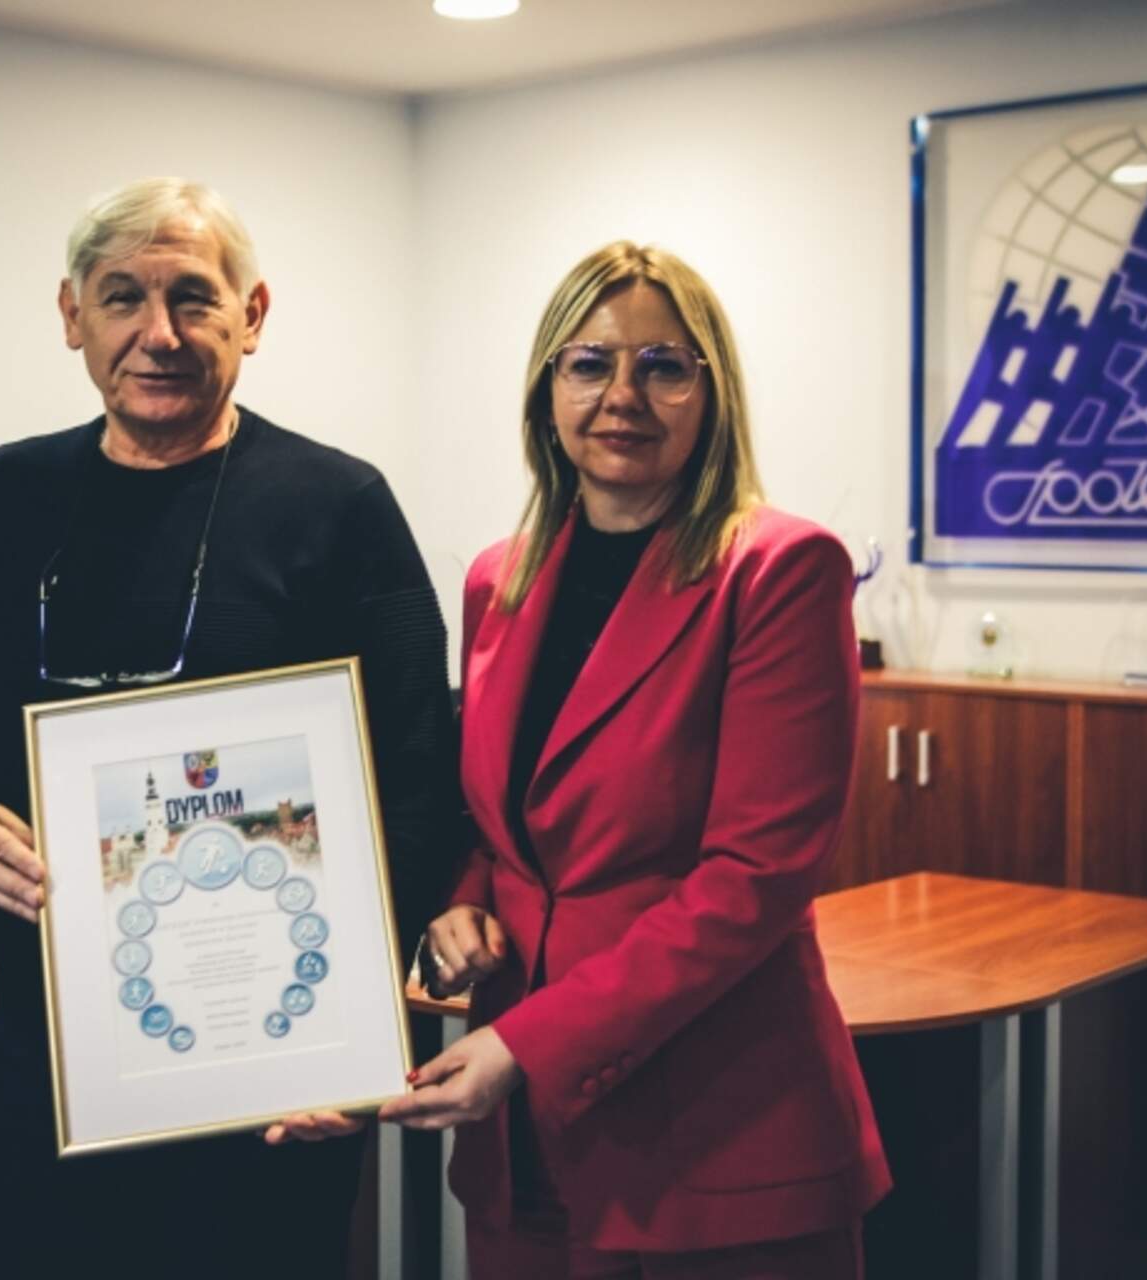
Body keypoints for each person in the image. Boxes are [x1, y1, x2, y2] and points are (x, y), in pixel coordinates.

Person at [0, 176, 457, 1277]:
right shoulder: (2, 499)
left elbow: (419, 779)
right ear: (73, 316)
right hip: (51, 1068)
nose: (159, 333)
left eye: (194, 297)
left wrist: (356, 1030)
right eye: (122, 297)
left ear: (253, 314)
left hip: (278, 1083)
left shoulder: (341, 507)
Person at [379, 242, 891, 1278]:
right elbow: (501, 816)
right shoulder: (498, 580)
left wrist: (528, 1044)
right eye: (589, 363)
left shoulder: (781, 571)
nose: (623, 395)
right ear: (547, 389)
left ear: (712, 392)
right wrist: (463, 903)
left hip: (715, 1130)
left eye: (663, 366)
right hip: (522, 1137)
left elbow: (753, 879)